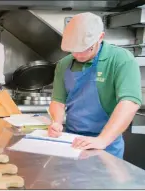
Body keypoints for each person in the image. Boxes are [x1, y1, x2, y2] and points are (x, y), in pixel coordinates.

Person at [48, 12, 142, 159]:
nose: (78, 55)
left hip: (107, 145)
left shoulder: (121, 60)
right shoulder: (64, 64)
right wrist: (57, 123)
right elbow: (58, 101)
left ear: (100, 37)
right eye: (74, 50)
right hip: (72, 142)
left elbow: (129, 103)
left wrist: (102, 140)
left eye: (85, 49)